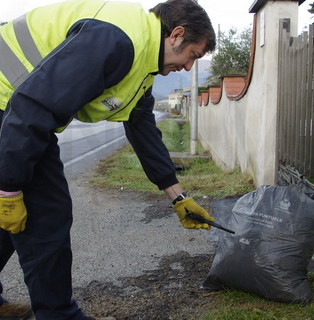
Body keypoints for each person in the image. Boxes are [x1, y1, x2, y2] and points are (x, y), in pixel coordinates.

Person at [0, 0, 216, 319]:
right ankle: (59, 315)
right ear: (177, 35)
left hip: (17, 110)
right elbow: (34, 105)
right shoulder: (117, 39)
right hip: (14, 109)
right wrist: (8, 187)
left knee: (18, 218)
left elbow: (143, 129)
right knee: (47, 216)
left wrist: (178, 196)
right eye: (192, 56)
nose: (187, 67)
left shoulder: (142, 61)